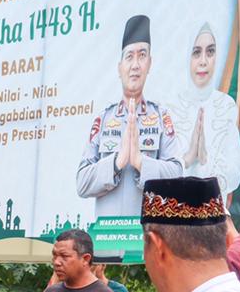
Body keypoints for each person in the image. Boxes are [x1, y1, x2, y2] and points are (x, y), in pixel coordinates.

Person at [77, 14, 184, 217]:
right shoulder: (103, 120)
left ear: (149, 64)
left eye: (142, 55)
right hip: (106, 243)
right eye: (129, 57)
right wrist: (117, 162)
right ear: (120, 68)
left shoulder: (161, 117)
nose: (135, 65)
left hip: (147, 242)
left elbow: (177, 176)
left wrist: (139, 162)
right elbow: (82, 182)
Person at [162, 24, 240, 201]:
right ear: (187, 57)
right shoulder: (170, 108)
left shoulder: (225, 106)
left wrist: (206, 160)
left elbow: (236, 168)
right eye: (196, 52)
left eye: (210, 52)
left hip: (212, 215)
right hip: (175, 212)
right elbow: (160, 171)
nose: (203, 61)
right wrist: (188, 158)